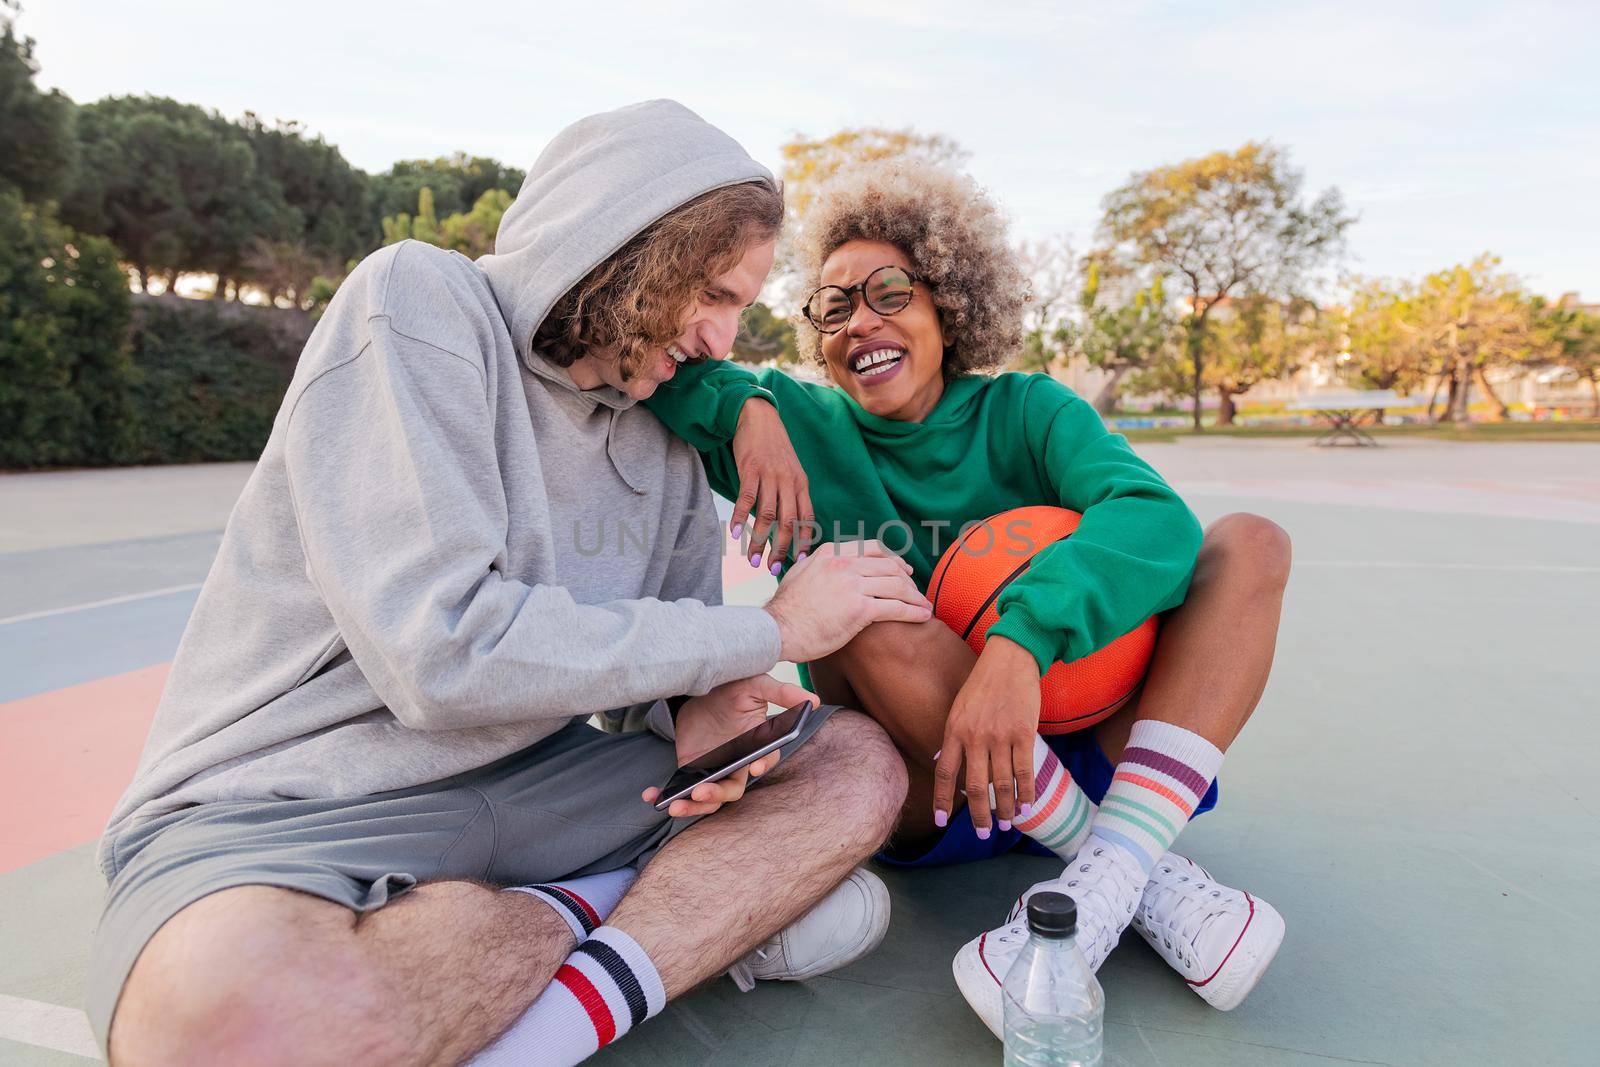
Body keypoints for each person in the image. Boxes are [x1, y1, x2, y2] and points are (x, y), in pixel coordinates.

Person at [90, 100, 937, 1067]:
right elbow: (442, 655)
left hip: (541, 790)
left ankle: (555, 982)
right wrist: (773, 631)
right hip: (293, 801)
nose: (720, 338)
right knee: (225, 1035)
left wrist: (700, 713)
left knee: (854, 761)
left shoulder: (660, 428)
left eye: (740, 305)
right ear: (624, 246)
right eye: (712, 292)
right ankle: (635, 918)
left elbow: (661, 681)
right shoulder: (418, 302)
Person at [646, 159, 1293, 1036]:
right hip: (939, 784)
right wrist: (747, 411)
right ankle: (1129, 862)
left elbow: (1154, 519)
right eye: (833, 308)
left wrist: (1019, 646)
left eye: (887, 292)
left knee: (1250, 542)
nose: (859, 322)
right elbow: (665, 364)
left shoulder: (1027, 409)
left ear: (947, 303)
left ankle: (1102, 878)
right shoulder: (796, 428)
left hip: (1083, 734)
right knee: (857, 576)